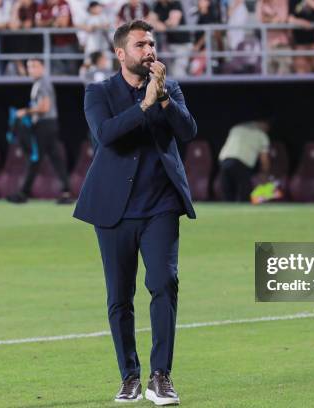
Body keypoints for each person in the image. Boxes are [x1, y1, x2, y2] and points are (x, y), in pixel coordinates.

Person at [73, 20, 197, 405]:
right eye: (141, 44)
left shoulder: (169, 88)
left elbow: (188, 131)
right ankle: (129, 376)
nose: (150, 50)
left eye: (152, 44)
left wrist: (161, 98)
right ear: (120, 52)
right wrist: (144, 105)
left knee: (164, 284)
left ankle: (161, 377)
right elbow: (106, 135)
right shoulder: (98, 92)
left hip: (161, 205)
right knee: (119, 298)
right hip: (114, 210)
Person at [6, 59, 73, 204]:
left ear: (43, 67)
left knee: (35, 158)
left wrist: (26, 111)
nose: (31, 69)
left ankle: (23, 193)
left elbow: (45, 108)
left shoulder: (42, 83)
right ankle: (67, 192)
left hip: (44, 125)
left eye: (34, 66)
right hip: (49, 125)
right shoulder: (39, 83)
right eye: (29, 66)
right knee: (56, 159)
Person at [218, 119, 271, 201]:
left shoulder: (236, 129)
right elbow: (264, 159)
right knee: (244, 194)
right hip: (241, 164)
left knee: (227, 194)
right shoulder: (262, 135)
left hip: (224, 161)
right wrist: (265, 173)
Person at [149, 0, 192, 77]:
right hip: (169, 45)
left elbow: (173, 22)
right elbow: (150, 22)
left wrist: (160, 25)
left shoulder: (175, 3)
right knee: (169, 75)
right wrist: (163, 25)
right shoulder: (157, 5)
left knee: (179, 73)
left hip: (182, 44)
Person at [288, 0, 314, 74]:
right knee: (301, 67)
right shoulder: (292, 1)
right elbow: (289, 18)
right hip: (300, 40)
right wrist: (301, 22)